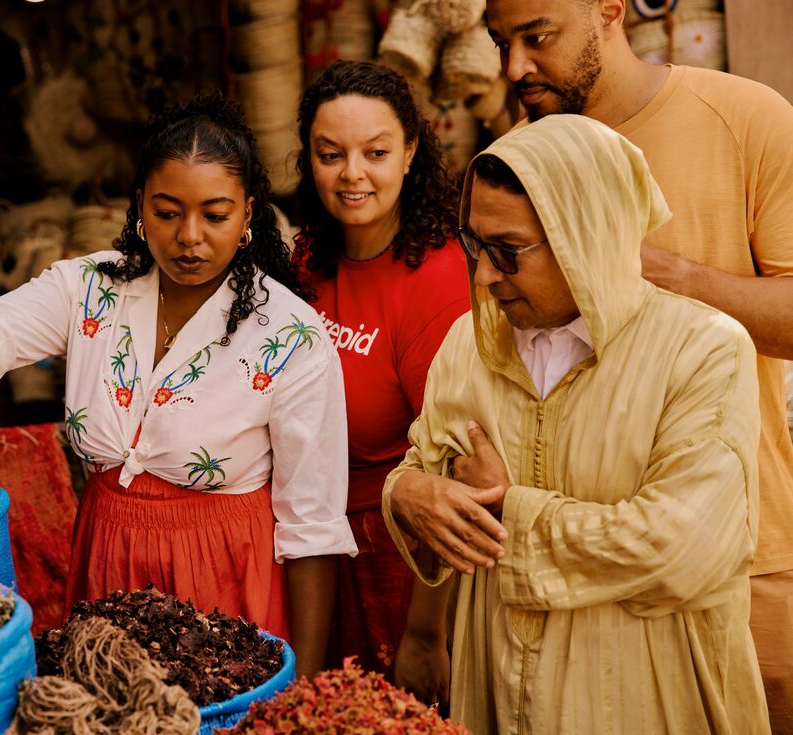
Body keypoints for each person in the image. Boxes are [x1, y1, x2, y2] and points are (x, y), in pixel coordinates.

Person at [0, 93, 358, 677]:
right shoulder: (91, 288)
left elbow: (312, 528)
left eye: (215, 215)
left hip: (225, 601)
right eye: (167, 212)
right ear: (140, 206)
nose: (189, 236)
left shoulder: (291, 334)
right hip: (107, 578)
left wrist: (305, 679)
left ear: (247, 215)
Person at [382, 114, 769, 733]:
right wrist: (407, 494)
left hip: (645, 702)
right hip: (499, 691)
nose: (484, 276)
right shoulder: (469, 343)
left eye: (508, 251)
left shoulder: (703, 350)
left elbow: (681, 549)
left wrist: (507, 509)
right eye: (475, 246)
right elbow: (422, 471)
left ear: (585, 235)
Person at [484, 2, 793, 727]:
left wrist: (671, 276)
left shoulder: (746, 117)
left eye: (537, 37)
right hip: (572, 570)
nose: (515, 67)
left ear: (609, 9)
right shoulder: (518, 159)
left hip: (748, 553)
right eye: (501, 43)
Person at [292, 59, 468, 690]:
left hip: (399, 559)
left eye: (375, 152)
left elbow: (454, 470)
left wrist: (425, 632)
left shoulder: (440, 280)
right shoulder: (307, 258)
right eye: (330, 154)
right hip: (310, 547)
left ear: (411, 152)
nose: (352, 174)